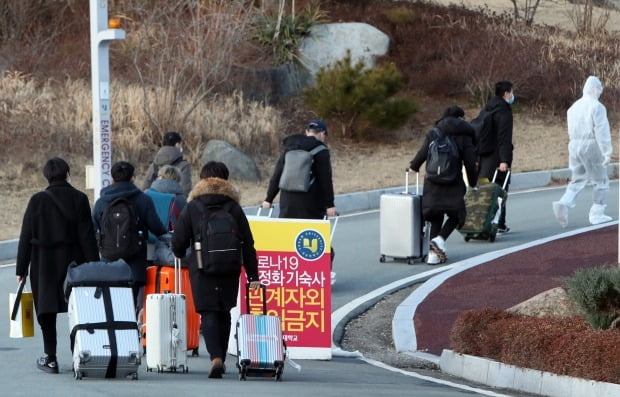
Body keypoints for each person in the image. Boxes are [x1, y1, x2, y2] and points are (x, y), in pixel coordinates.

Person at [171, 161, 260, 379]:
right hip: (230, 267)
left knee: (208, 311)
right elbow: (248, 244)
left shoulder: (193, 206)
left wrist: (182, 253)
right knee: (224, 311)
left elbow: (178, 242)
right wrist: (253, 276)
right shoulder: (234, 207)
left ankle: (215, 358)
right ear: (225, 179)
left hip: (202, 268)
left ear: (203, 180)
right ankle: (220, 356)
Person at [15, 157, 100, 374]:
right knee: (78, 309)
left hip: (43, 263)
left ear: (46, 176)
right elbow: (87, 236)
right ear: (67, 174)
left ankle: (50, 358)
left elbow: (26, 236)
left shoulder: (37, 200)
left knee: (46, 310)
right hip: (73, 262)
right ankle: (78, 355)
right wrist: (94, 266)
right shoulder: (79, 198)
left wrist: (21, 269)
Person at [262, 120, 337, 283]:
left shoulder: (289, 147)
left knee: (287, 239)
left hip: (287, 200)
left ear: (306, 132)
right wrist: (329, 204)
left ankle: (289, 276)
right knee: (314, 240)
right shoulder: (321, 150)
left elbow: (277, 175)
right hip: (310, 202)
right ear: (322, 134)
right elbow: (325, 180)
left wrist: (268, 199)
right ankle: (320, 274)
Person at [92, 161, 167, 309]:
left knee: (110, 308)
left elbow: (94, 227)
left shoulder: (102, 201)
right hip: (134, 263)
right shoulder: (143, 200)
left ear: (112, 179)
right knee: (130, 308)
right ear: (132, 178)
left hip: (109, 263)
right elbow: (156, 227)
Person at [409, 106, 478, 265]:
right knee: (457, 214)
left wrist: (413, 167)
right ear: (460, 118)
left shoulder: (434, 132)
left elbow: (422, 153)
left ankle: (432, 256)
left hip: (433, 182)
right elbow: (469, 164)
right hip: (453, 182)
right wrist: (473, 184)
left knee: (435, 216)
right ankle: (440, 240)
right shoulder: (465, 136)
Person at [552, 75, 613, 227]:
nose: (599, 93)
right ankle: (597, 213)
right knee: (601, 180)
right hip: (591, 144)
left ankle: (564, 203)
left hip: (574, 145)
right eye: (599, 90)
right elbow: (602, 131)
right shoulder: (597, 107)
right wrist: (607, 151)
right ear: (594, 89)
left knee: (577, 179)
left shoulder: (573, 107)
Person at [477, 80, 515, 234]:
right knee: (500, 189)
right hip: (497, 158)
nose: (513, 95)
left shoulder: (486, 109)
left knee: (485, 190)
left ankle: (481, 221)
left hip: (483, 158)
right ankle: (498, 223)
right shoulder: (504, 111)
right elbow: (504, 137)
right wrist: (504, 160)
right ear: (506, 93)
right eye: (511, 92)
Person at [145, 164, 188, 232]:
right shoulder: (181, 198)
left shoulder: (146, 193)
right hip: (170, 237)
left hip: (146, 236)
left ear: (160, 177)